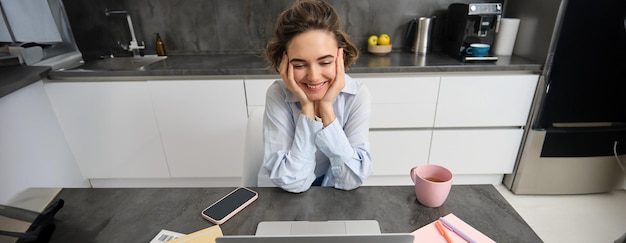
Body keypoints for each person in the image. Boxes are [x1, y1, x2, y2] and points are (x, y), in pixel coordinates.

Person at [259, 0, 372, 193]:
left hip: (333, 191)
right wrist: (307, 108)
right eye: (300, 65)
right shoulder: (277, 94)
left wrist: (327, 109)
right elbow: (293, 182)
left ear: (340, 58)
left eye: (325, 62)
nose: (313, 76)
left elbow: (351, 179)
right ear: (284, 63)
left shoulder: (356, 95)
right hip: (284, 196)